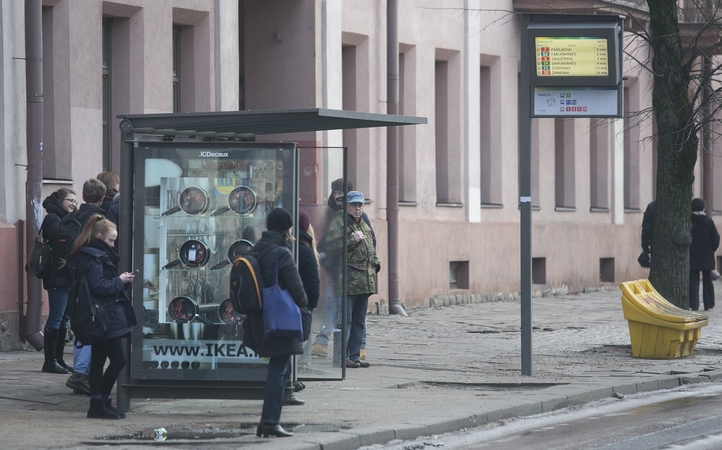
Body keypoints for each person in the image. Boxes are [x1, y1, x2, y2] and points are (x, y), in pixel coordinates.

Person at [66, 215, 136, 419]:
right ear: (98, 236)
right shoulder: (94, 257)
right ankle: (100, 402)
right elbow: (98, 287)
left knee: (98, 361)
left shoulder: (89, 254)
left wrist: (123, 281)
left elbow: (99, 285)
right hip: (104, 315)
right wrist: (120, 281)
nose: (113, 245)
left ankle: (99, 403)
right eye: (111, 240)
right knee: (119, 360)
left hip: (98, 314)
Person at [246, 208, 308, 437]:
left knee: (282, 368)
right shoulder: (281, 253)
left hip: (258, 318)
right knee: (278, 369)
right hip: (278, 319)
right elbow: (297, 288)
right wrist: (303, 304)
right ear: (287, 228)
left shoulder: (256, 249)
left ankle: (267, 423)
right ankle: (270, 421)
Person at [312, 178, 375, 359]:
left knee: (354, 313)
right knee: (335, 307)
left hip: (357, 274)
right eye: (336, 193)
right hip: (335, 268)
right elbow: (327, 242)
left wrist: (373, 264)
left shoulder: (362, 218)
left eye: (341, 193)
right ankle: (324, 343)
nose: (338, 196)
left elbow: (371, 241)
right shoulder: (331, 213)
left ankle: (357, 347)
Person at [322, 191, 380, 369]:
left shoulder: (363, 223)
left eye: (360, 205)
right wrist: (350, 241)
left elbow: (371, 246)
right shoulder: (339, 222)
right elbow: (330, 248)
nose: (357, 208)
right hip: (347, 281)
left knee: (358, 321)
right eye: (354, 205)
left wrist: (376, 264)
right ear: (346, 206)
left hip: (364, 281)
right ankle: (342, 356)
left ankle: (354, 356)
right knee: (345, 321)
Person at [63, 179, 108, 394]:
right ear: (102, 197)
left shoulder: (71, 217)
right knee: (93, 324)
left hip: (73, 280)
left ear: (82, 196)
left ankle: (79, 372)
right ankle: (82, 373)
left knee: (79, 326)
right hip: (93, 280)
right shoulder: (101, 220)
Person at [40, 188, 78, 374]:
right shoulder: (53, 218)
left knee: (64, 318)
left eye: (75, 200)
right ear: (60, 201)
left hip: (65, 274)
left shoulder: (66, 217)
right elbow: (61, 238)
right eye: (70, 200)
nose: (73, 203)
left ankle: (59, 359)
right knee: (56, 316)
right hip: (56, 274)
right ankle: (50, 361)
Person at [297, 210, 320, 371]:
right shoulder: (305, 251)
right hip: (301, 306)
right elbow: (313, 286)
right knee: (297, 345)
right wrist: (310, 305)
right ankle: (290, 380)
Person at [689, 198, 720, 311]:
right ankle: (708, 304)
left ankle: (694, 304)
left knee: (693, 280)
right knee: (707, 280)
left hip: (692, 254)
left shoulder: (688, 221)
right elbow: (716, 238)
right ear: (703, 207)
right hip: (707, 255)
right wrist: (711, 249)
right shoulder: (708, 221)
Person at [639, 201, 655, 268]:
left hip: (656, 246)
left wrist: (645, 248)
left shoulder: (652, 206)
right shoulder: (679, 205)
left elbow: (646, 230)